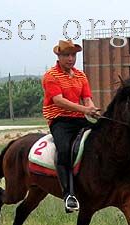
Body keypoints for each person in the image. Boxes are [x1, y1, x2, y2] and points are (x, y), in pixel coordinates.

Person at [42, 39, 101, 213]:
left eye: (73, 55)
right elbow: (59, 101)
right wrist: (85, 109)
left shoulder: (81, 75)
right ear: (58, 56)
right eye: (66, 55)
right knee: (65, 149)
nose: (70, 58)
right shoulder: (51, 76)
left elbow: (87, 98)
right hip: (60, 120)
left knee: (103, 140)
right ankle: (68, 194)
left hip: (79, 119)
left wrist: (92, 109)